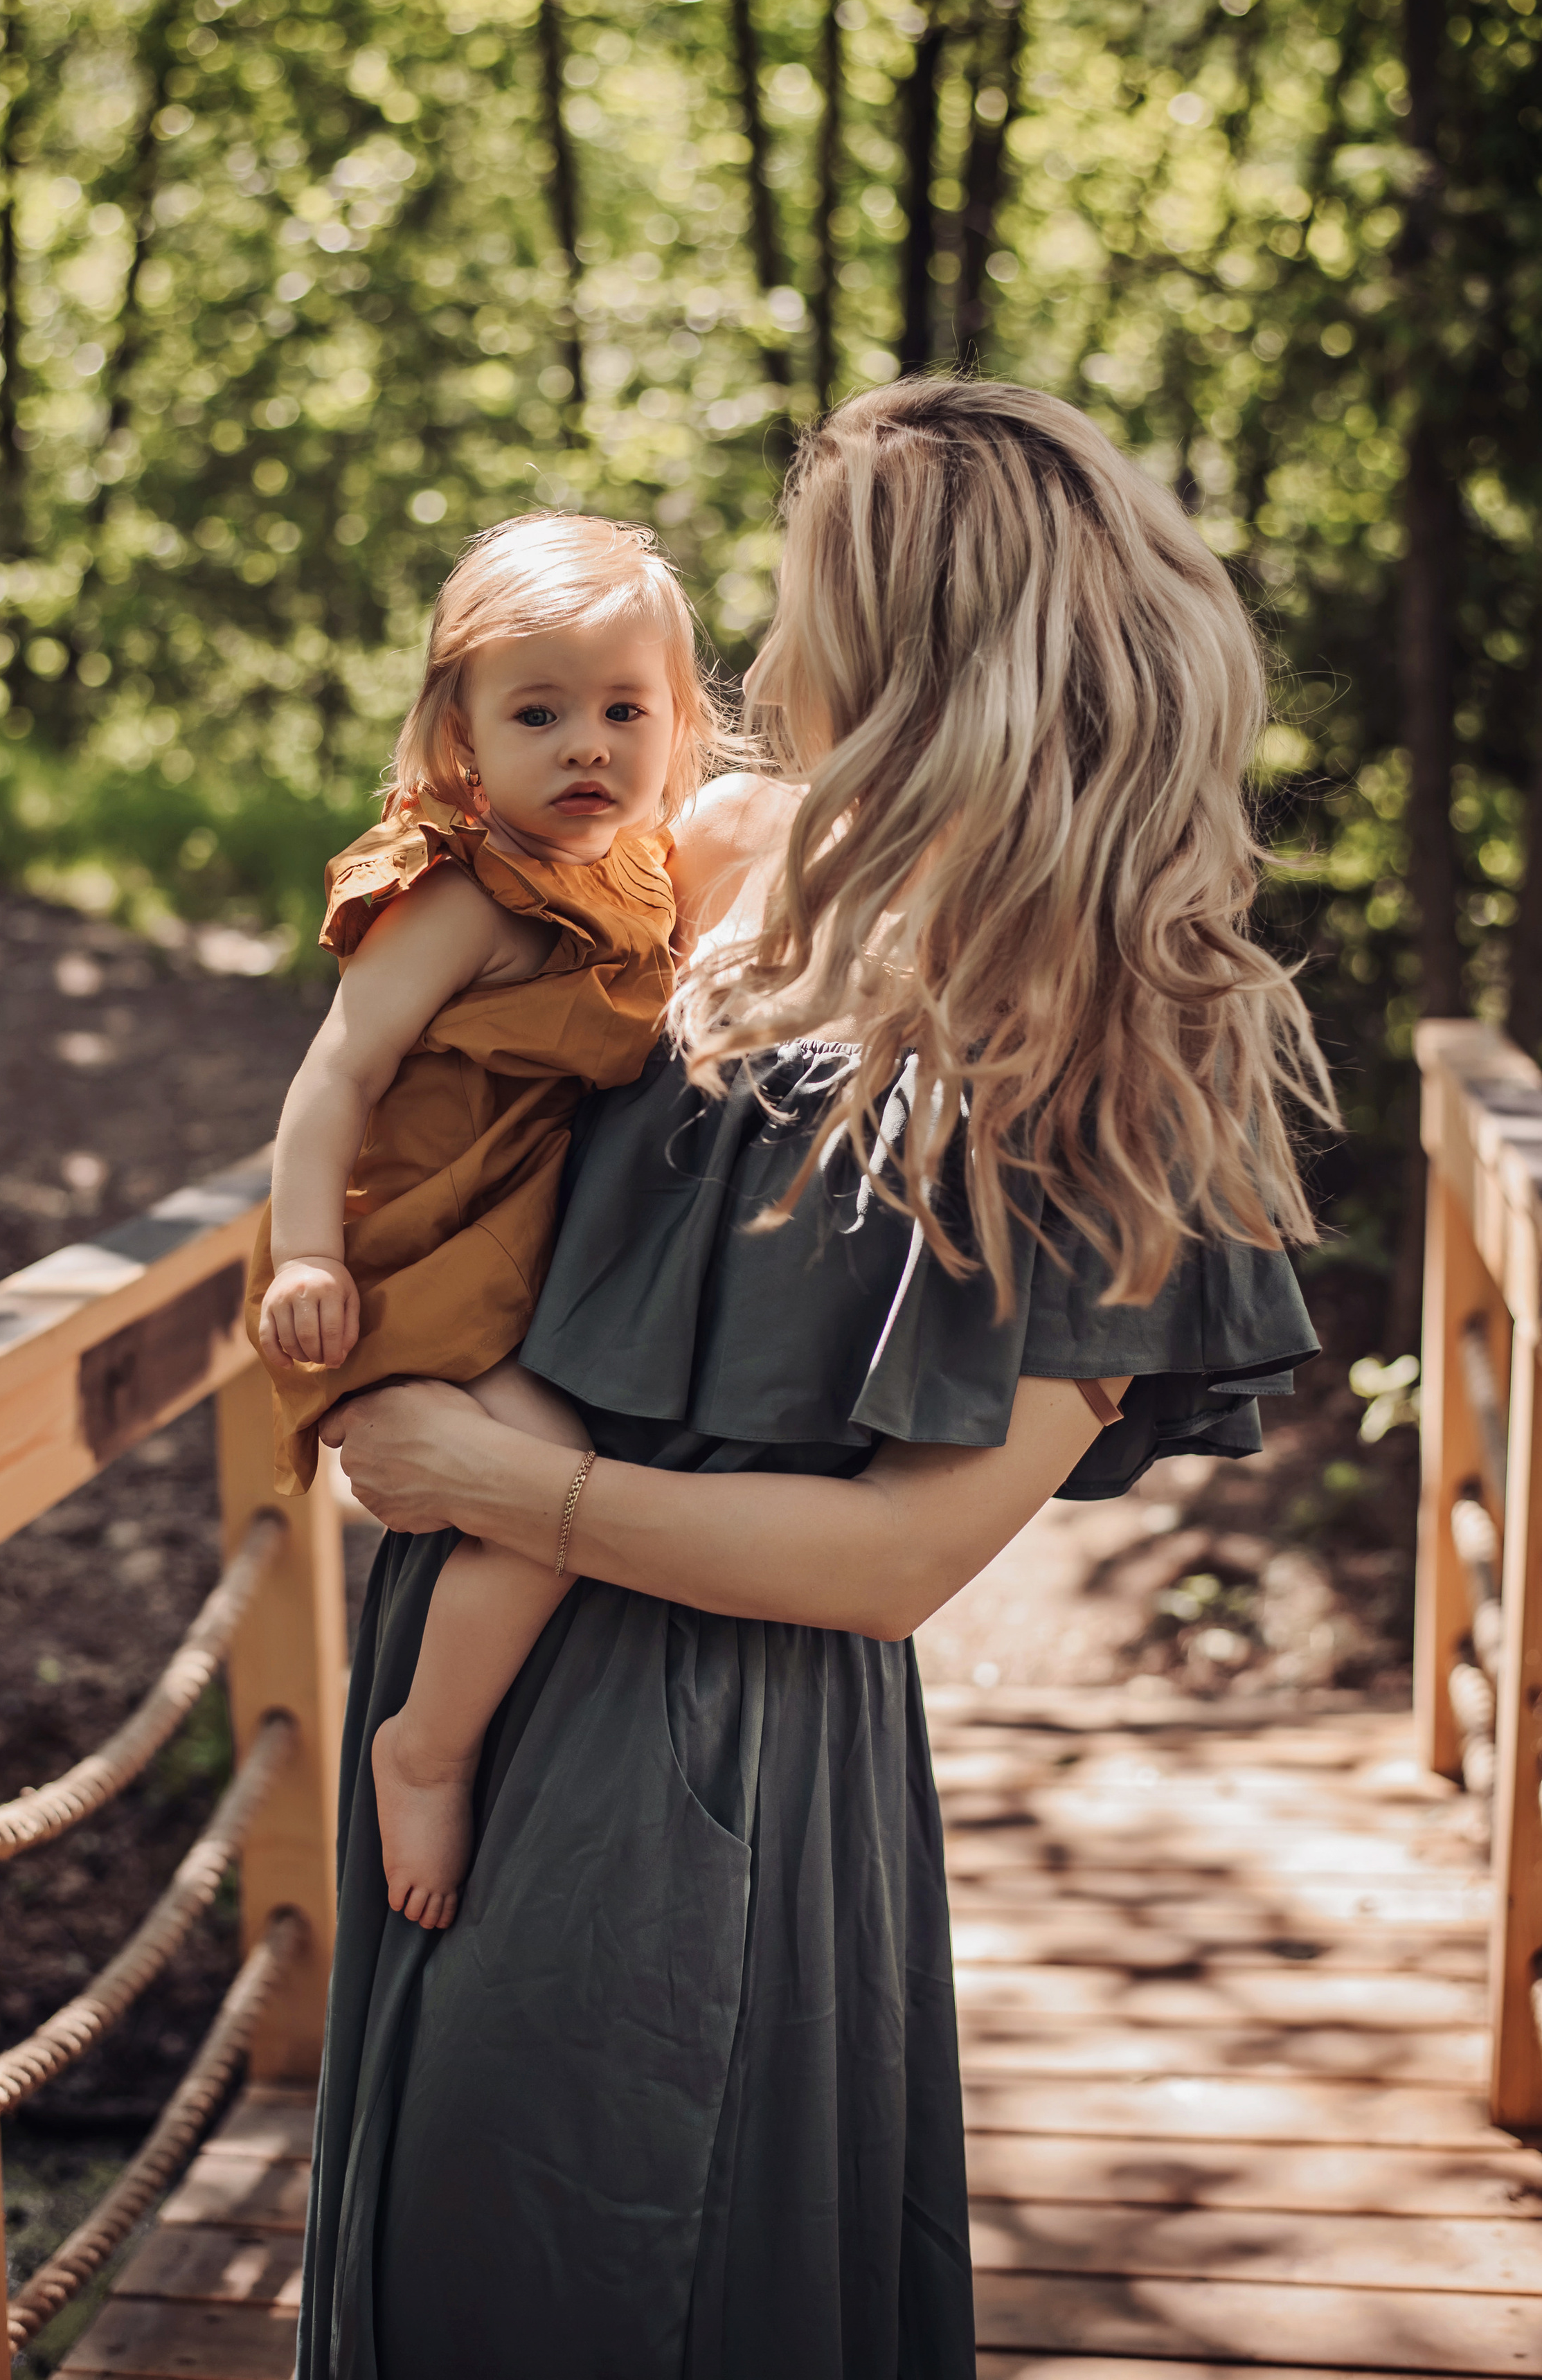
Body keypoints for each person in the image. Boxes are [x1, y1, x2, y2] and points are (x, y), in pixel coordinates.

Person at [303, 378, 1334, 2380]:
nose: (769, 651)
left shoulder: (1125, 1033)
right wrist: (364, 1312)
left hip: (727, 1728)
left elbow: (899, 1557)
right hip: (467, 1648)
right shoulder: (701, 843)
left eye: (808, 596)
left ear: (918, 633)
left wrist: (498, 1480)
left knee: (599, 2260)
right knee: (439, 2241)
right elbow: (428, 1084)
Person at [246, 510, 730, 1929]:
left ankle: (451, 1737)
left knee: (559, 1471)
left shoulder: (636, 875)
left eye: (621, 710)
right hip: (413, 1252)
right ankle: (426, 1747)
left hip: (519, 1245)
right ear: (458, 737)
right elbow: (338, 1072)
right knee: (543, 1490)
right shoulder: (458, 891)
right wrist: (308, 1256)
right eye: (539, 713)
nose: (586, 745)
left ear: (676, 721)